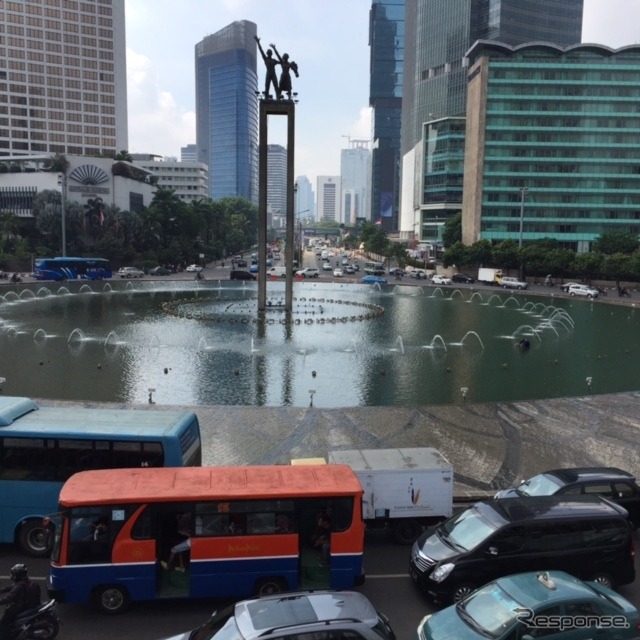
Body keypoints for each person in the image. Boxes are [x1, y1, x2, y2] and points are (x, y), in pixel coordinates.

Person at [0, 564, 41, 640]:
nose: (11, 576)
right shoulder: (25, 580)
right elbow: (12, 587)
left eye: (12, 574)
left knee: (3, 623)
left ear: (17, 576)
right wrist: (2, 590)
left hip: (21, 606)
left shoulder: (19, 587)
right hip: (28, 604)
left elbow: (8, 598)